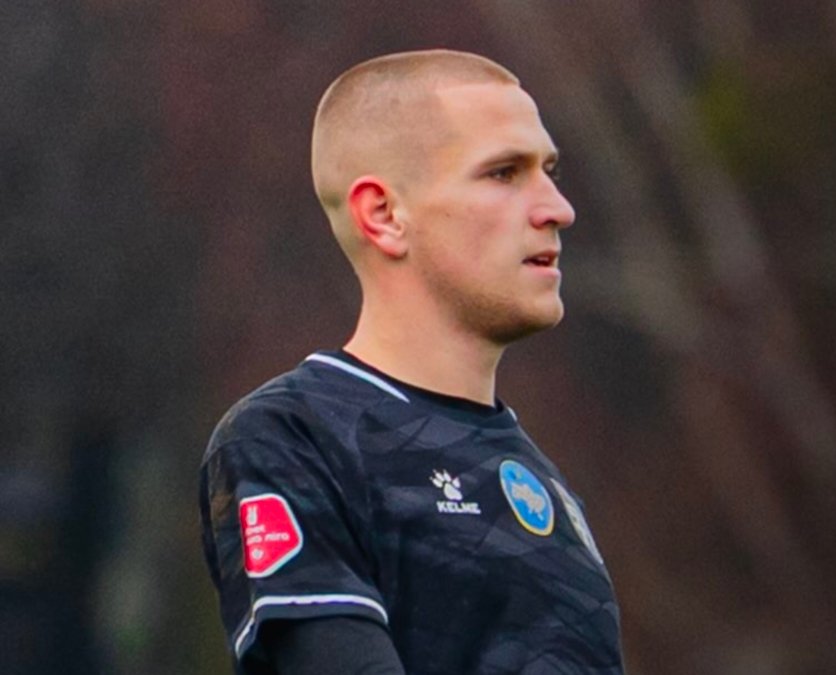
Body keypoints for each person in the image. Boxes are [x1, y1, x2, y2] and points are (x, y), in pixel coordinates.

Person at [199, 49, 624, 674]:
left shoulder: (543, 482)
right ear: (384, 215)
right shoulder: (296, 436)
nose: (558, 208)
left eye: (549, 171)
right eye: (504, 173)